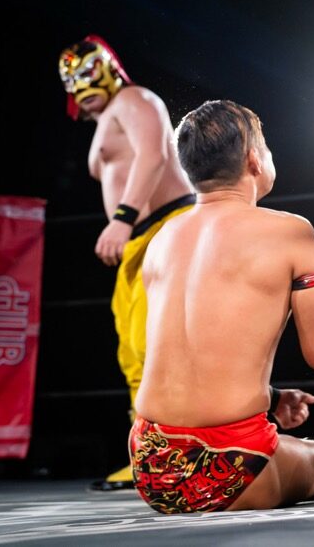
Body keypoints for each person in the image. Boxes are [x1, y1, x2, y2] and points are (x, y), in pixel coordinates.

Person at [130, 100, 314, 513]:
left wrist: (269, 397)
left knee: (291, 449)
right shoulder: (290, 232)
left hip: (150, 466)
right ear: (254, 159)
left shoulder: (161, 240)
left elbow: (186, 354)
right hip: (231, 472)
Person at [59, 35, 198, 491]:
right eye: (72, 79)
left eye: (87, 72)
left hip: (162, 225)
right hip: (139, 238)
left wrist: (121, 218)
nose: (81, 85)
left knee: (153, 344)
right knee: (134, 351)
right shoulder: (107, 120)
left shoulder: (134, 99)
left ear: (107, 67)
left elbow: (154, 154)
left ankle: (176, 453)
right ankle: (151, 456)